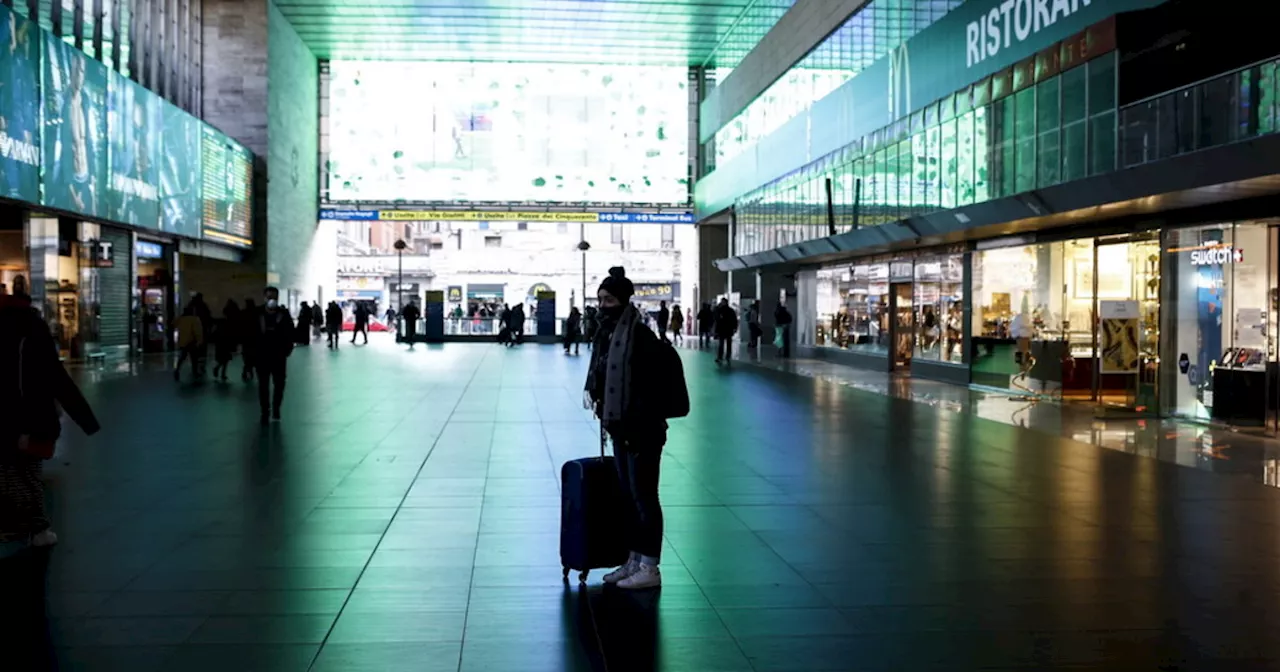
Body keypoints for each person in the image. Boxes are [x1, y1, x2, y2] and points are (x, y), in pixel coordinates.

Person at [0, 275, 99, 547]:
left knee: (8, 472)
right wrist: (85, 419)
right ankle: (36, 529)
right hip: (28, 418)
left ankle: (14, 526)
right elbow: (55, 376)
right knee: (27, 473)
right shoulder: (32, 326)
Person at [586, 267, 666, 590]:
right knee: (629, 495)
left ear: (622, 301)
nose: (602, 306)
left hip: (642, 431)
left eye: (608, 300)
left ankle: (650, 566)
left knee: (645, 495)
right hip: (621, 429)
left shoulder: (641, 338)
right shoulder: (607, 337)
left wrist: (634, 424)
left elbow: (649, 390)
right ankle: (633, 558)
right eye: (600, 299)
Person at [251, 287, 295, 424]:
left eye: (274, 297)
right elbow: (250, 333)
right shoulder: (257, 313)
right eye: (269, 297)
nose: (272, 300)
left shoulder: (284, 314)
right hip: (262, 355)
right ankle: (265, 411)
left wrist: (287, 350)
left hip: (279, 356)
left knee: (279, 384)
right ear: (264, 297)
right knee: (263, 385)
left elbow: (290, 332)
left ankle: (276, 409)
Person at [173, 304, 205, 381]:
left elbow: (173, 324)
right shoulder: (194, 319)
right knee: (194, 358)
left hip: (182, 341)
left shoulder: (181, 319)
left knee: (182, 357)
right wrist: (199, 340)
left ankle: (177, 370)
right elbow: (198, 331)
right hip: (191, 341)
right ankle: (195, 372)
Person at [211, 300, 240, 381]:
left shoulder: (222, 322)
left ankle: (219, 370)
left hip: (221, 341)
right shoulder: (233, 323)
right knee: (226, 358)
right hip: (228, 340)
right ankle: (222, 373)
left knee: (222, 358)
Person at [713, 298, 738, 366]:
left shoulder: (723, 310)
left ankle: (723, 356)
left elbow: (717, 319)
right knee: (725, 343)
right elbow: (716, 319)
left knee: (725, 343)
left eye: (722, 302)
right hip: (726, 329)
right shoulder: (727, 310)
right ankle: (725, 356)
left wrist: (735, 327)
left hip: (725, 329)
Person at [239, 298, 258, 381]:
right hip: (254, 338)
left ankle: (246, 370)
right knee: (254, 356)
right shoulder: (256, 313)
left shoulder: (243, 313)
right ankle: (249, 370)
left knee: (246, 356)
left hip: (246, 338)